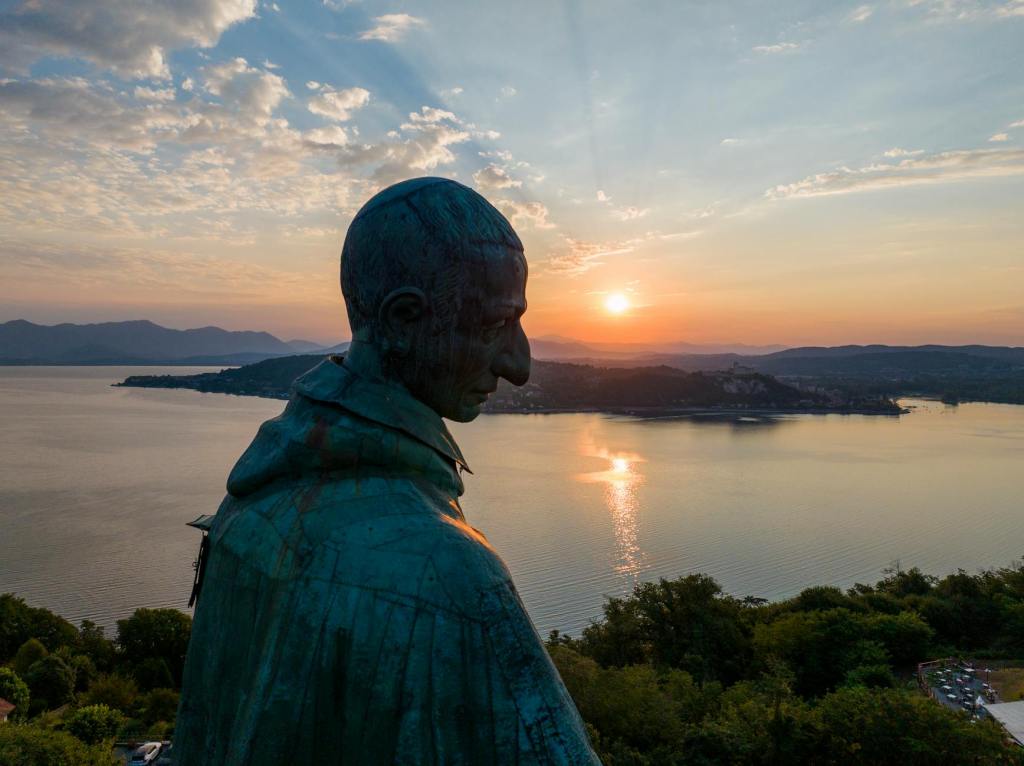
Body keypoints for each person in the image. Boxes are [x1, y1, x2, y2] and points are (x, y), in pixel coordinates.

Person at [174, 177, 600, 765]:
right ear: (403, 319)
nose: (519, 364)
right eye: (493, 326)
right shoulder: (448, 572)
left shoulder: (250, 501)